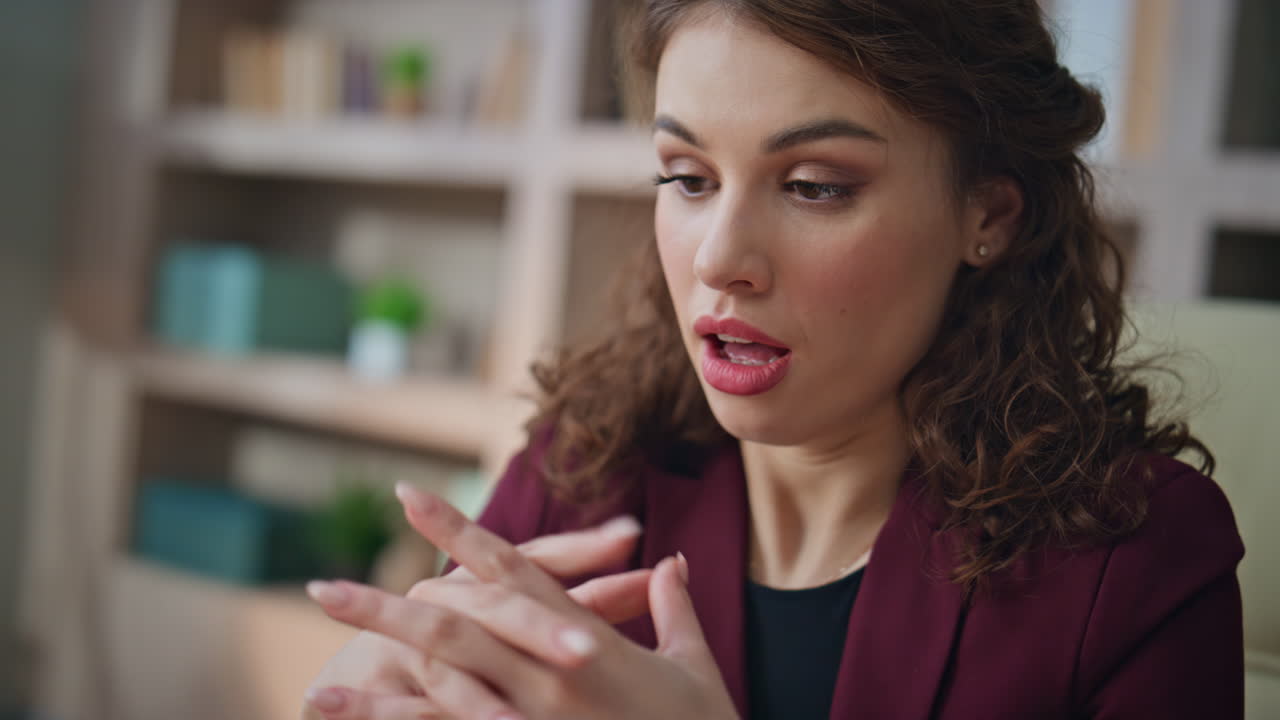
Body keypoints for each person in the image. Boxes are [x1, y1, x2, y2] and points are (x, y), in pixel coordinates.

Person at [300, 1, 1245, 718]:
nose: (718, 259)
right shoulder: (582, 475)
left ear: (988, 215)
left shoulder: (1134, 560)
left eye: (813, 187)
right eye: (688, 179)